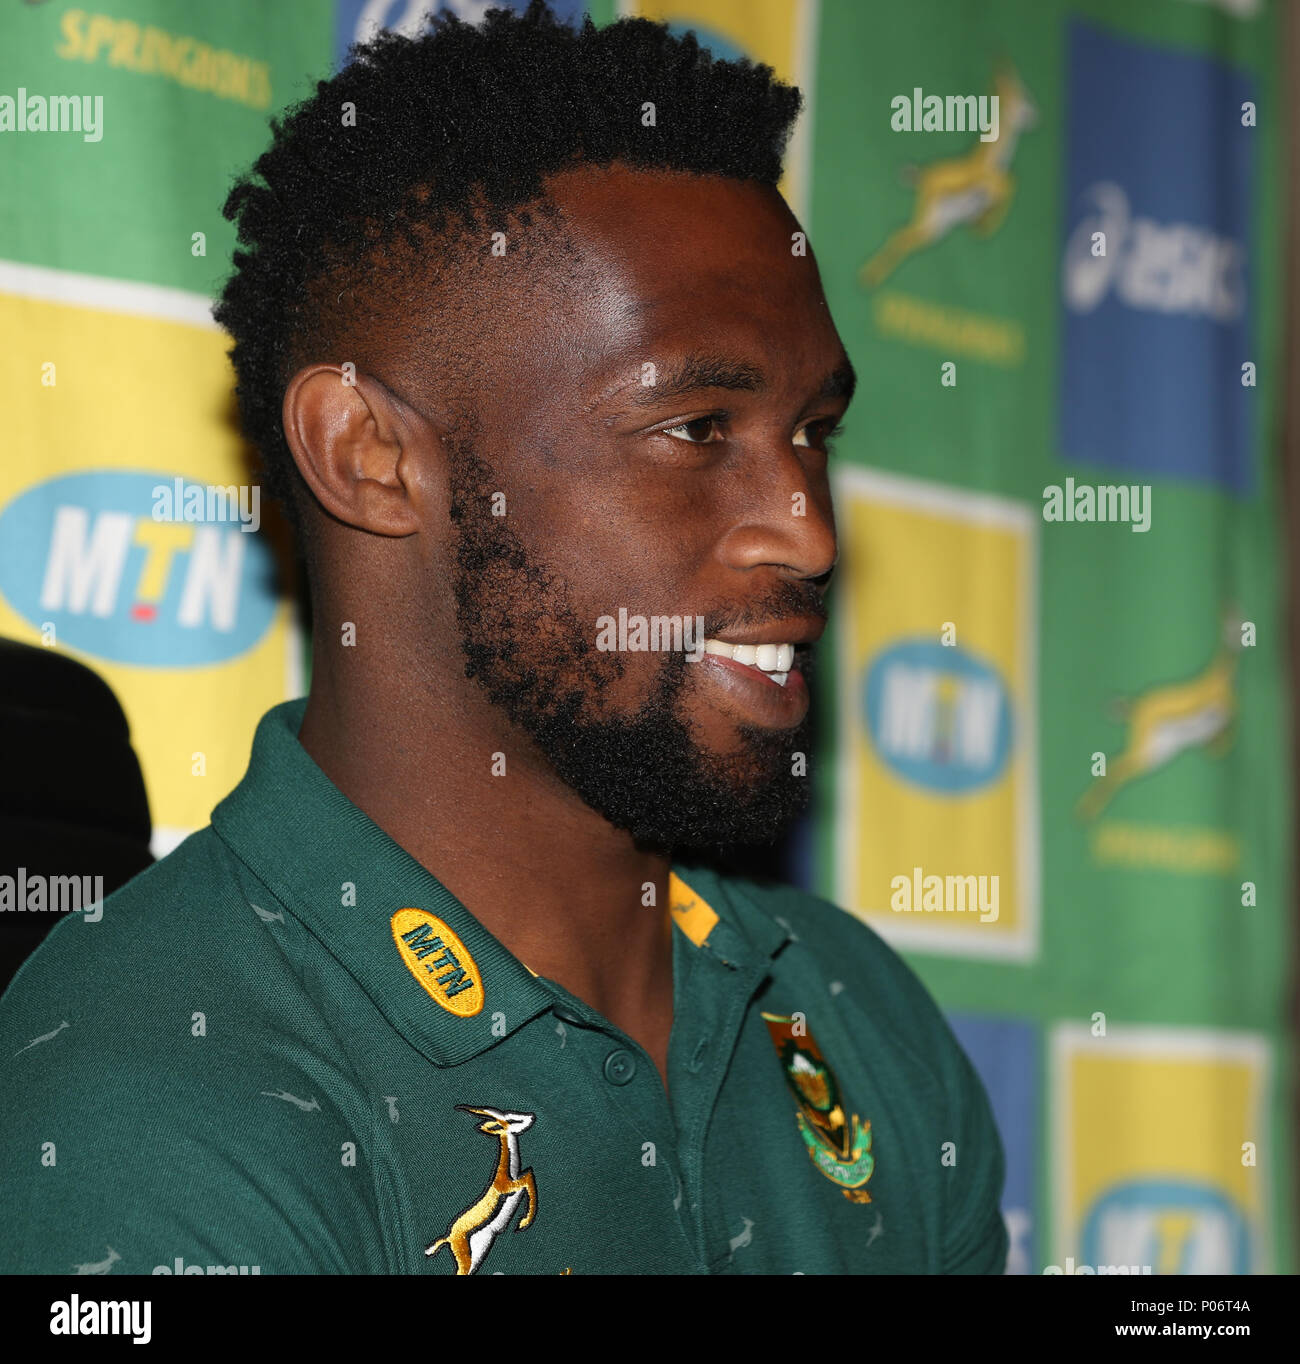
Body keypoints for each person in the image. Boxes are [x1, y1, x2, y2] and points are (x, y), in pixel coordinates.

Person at [0, 1, 1007, 1275]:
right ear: (370, 457)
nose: (805, 529)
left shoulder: (853, 1011)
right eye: (697, 426)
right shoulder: (155, 1092)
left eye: (814, 432)